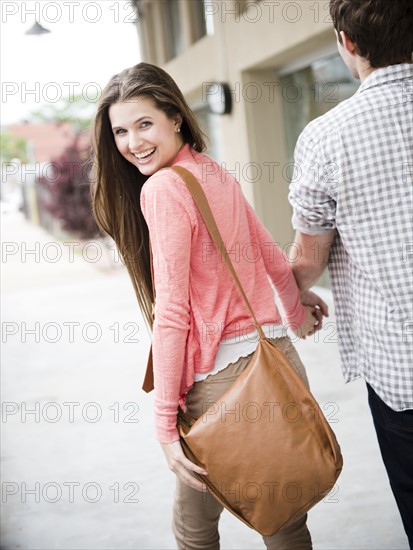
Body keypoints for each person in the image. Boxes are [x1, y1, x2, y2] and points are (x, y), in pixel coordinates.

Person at [91, 62, 320, 549]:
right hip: (277, 362)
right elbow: (270, 256)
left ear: (176, 117)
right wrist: (296, 315)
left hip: (223, 385)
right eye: (121, 131)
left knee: (200, 530)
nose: (133, 143)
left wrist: (164, 424)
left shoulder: (164, 188)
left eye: (145, 124)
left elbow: (172, 313)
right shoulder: (212, 172)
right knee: (280, 519)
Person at [288, 0, 413, 546]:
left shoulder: (326, 136)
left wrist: (296, 298)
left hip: (402, 368)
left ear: (348, 42)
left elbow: (307, 261)